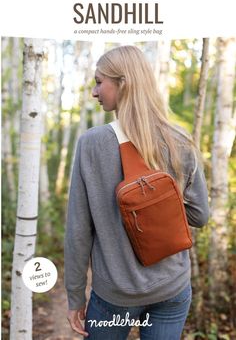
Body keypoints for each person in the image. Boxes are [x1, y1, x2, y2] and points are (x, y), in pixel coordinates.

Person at [65, 45, 209, 339]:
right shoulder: (179, 139)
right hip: (172, 288)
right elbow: (200, 215)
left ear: (123, 83)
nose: (94, 92)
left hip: (116, 294)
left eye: (98, 81)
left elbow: (79, 230)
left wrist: (75, 298)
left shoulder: (92, 144)